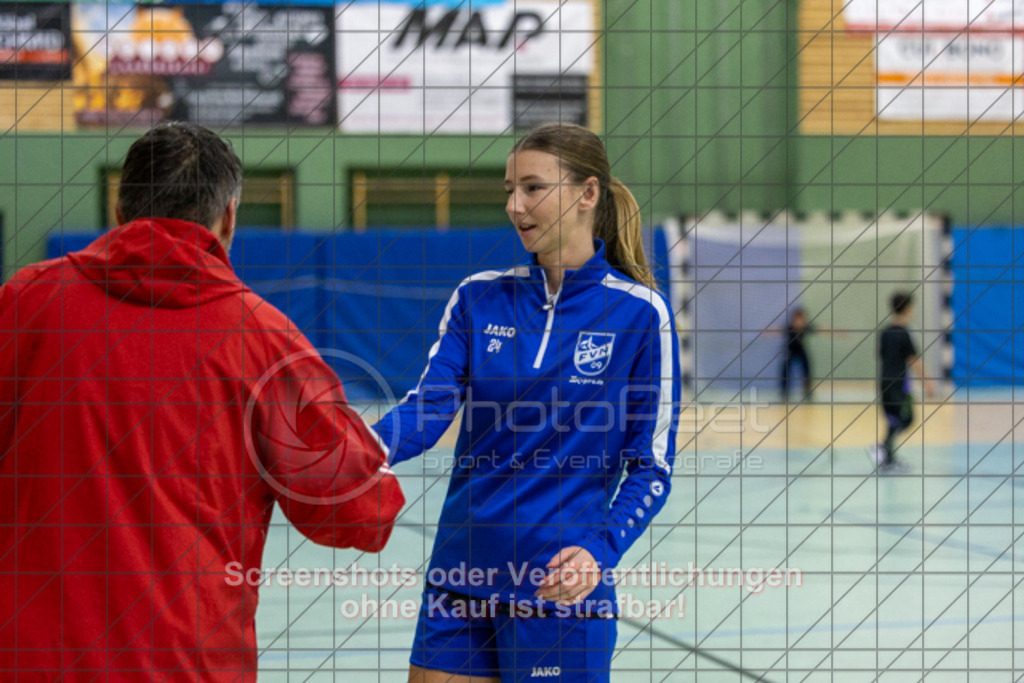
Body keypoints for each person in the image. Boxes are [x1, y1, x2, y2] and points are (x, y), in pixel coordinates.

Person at [0, 122, 404, 679]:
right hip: (187, 664)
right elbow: (360, 511)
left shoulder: (24, 302)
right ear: (229, 217)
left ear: (120, 209)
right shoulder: (264, 341)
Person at [373, 123, 682, 682]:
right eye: (510, 189)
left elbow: (651, 466)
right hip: (459, 575)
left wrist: (601, 550)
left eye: (533, 188)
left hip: (559, 587)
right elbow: (428, 408)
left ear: (588, 193)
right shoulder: (478, 297)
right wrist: (356, 448)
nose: (515, 206)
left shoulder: (640, 314)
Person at [872, 291, 936, 472]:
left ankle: (888, 459)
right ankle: (883, 447)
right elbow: (914, 361)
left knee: (894, 419)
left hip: (885, 382)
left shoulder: (885, 332)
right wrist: (928, 382)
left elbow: (879, 355)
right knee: (907, 418)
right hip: (900, 384)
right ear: (908, 309)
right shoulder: (904, 334)